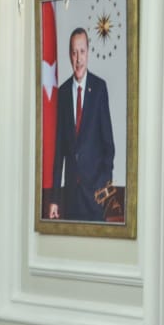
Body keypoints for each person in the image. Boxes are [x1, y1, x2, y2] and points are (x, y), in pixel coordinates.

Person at [49, 26, 115, 221]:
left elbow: (109, 146)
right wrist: (54, 199)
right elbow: (59, 151)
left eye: (82, 51)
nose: (78, 59)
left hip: (95, 198)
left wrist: (103, 191)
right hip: (70, 198)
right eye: (74, 52)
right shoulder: (62, 93)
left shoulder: (99, 88)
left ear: (88, 52)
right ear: (70, 55)